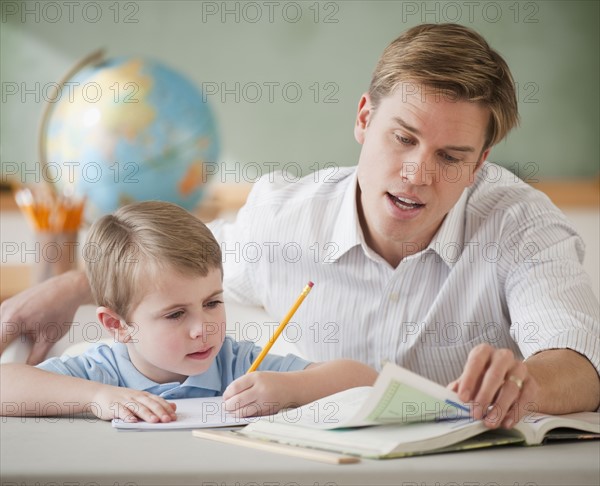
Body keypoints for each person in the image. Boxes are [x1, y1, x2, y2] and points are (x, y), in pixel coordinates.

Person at [1, 24, 598, 429]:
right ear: (365, 118)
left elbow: (580, 367)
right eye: (403, 137)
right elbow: (176, 268)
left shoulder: (520, 224)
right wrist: (67, 286)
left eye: (451, 156)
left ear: (480, 163)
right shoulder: (285, 217)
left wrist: (527, 382)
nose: (417, 173)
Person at [0, 201, 377, 422]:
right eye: (176, 314)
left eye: (212, 302)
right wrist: (97, 397)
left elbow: (365, 380)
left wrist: (292, 387)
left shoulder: (238, 363)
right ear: (118, 325)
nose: (204, 329)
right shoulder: (101, 372)